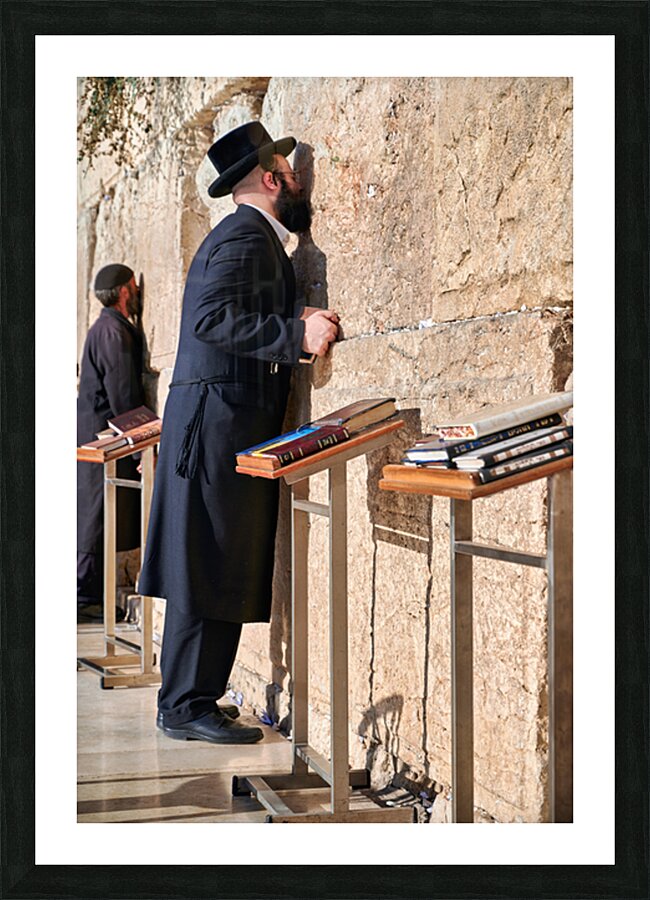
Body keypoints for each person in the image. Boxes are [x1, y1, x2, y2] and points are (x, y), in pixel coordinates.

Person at [138, 121, 339, 744]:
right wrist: (292, 335)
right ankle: (182, 705)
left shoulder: (247, 237)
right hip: (215, 427)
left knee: (214, 559)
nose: (298, 178)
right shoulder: (245, 237)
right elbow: (211, 319)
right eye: (289, 167)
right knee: (206, 561)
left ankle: (193, 696)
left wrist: (288, 318)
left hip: (220, 423)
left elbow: (236, 312)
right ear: (272, 178)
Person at [77, 264, 144, 621]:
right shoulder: (112, 332)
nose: (136, 294)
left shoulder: (106, 327)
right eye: (134, 288)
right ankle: (83, 594)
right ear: (123, 292)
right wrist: (141, 438)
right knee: (96, 513)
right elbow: (123, 394)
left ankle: (87, 592)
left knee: (96, 510)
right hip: (106, 436)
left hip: (99, 435)